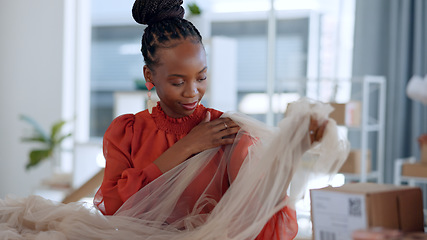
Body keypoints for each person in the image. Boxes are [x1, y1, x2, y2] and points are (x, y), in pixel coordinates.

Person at [93, 0, 328, 239]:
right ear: (149, 75)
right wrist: (188, 146)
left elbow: (256, 210)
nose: (192, 92)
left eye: (201, 77)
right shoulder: (128, 132)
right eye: (178, 82)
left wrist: (291, 153)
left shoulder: (226, 131)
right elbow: (113, 206)